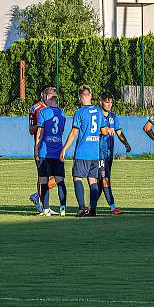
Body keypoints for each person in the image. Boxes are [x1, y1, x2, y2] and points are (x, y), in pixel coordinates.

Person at [61, 85, 104, 217]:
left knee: (77, 177)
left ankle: (82, 207)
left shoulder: (79, 112)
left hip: (82, 152)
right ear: (90, 96)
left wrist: (64, 148)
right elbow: (102, 130)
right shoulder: (99, 111)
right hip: (95, 153)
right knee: (92, 181)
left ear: (80, 97)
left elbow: (74, 132)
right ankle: (93, 209)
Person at [97, 92, 131, 215]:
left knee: (101, 181)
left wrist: (126, 144)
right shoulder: (97, 115)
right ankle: (112, 207)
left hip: (109, 153)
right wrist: (104, 132)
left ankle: (91, 207)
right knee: (104, 179)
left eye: (111, 102)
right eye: (107, 102)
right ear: (100, 102)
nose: (109, 104)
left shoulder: (113, 116)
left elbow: (119, 132)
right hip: (99, 153)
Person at [35, 95, 68, 217]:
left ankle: (46, 209)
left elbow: (40, 132)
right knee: (60, 180)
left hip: (45, 151)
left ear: (49, 98)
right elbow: (62, 131)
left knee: (43, 180)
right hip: (58, 151)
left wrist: (36, 149)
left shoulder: (43, 112)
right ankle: (63, 209)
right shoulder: (62, 113)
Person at [29, 86, 58, 212]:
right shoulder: (36, 108)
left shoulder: (53, 109)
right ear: (43, 95)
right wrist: (42, 125)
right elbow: (31, 130)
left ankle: (37, 196)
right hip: (42, 148)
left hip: (53, 147)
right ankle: (44, 205)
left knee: (57, 176)